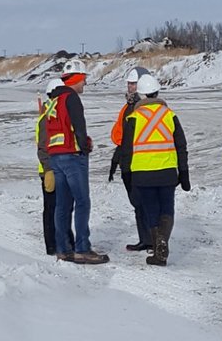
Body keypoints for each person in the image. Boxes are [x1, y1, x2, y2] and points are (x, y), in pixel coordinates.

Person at [117, 73, 190, 267]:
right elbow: (181, 146)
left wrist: (126, 174)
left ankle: (158, 248)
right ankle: (162, 244)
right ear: (157, 92)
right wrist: (184, 173)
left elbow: (127, 150)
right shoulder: (170, 115)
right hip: (167, 172)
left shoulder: (133, 117)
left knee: (151, 211)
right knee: (167, 209)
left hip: (143, 174)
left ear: (140, 95)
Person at [42, 58, 109, 263]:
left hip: (56, 157)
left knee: (62, 205)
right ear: (77, 78)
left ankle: (63, 249)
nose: (85, 84)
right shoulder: (71, 98)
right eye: (84, 79)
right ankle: (82, 248)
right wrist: (85, 146)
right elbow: (79, 127)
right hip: (72, 156)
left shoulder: (53, 101)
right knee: (82, 202)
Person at [108, 65, 154, 252]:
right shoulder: (127, 107)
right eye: (129, 83)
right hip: (128, 160)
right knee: (138, 203)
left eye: (134, 84)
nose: (130, 87)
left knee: (147, 203)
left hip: (140, 162)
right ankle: (146, 239)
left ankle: (153, 240)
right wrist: (116, 160)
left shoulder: (143, 109)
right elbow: (120, 137)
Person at [34, 78, 72, 255]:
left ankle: (66, 240)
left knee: (63, 208)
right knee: (51, 209)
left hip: (62, 169)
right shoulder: (47, 117)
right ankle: (52, 245)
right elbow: (43, 147)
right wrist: (48, 169)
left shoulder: (57, 113)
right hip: (50, 171)